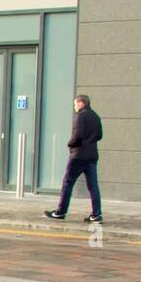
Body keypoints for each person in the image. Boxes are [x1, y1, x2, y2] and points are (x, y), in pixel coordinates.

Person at [45, 94, 103, 223]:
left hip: (78, 155)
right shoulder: (95, 116)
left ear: (81, 103)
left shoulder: (80, 116)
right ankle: (96, 214)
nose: (75, 107)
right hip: (92, 155)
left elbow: (78, 135)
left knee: (68, 182)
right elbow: (99, 135)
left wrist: (70, 144)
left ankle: (60, 212)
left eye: (75, 104)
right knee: (93, 186)